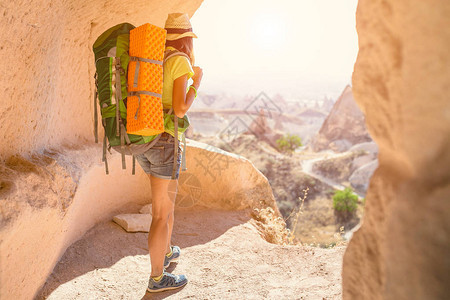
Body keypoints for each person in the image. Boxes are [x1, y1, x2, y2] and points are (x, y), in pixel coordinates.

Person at [134, 13, 203, 293]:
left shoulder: (153, 57)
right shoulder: (179, 60)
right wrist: (196, 83)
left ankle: (166, 252)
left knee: (166, 206)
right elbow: (179, 109)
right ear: (186, 39)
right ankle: (157, 278)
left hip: (144, 138)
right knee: (161, 213)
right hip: (165, 141)